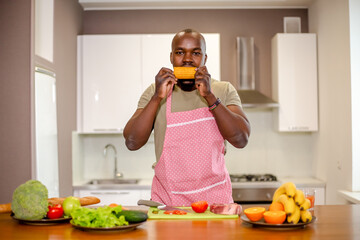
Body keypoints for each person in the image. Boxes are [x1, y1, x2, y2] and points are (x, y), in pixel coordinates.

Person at [124, 29, 250, 206]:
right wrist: (156, 98)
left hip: (215, 205)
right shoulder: (156, 91)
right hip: (168, 205)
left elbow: (241, 138)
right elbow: (132, 142)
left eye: (196, 53)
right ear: (171, 57)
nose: (187, 59)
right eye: (180, 52)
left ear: (205, 59)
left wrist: (210, 96)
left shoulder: (223, 90)